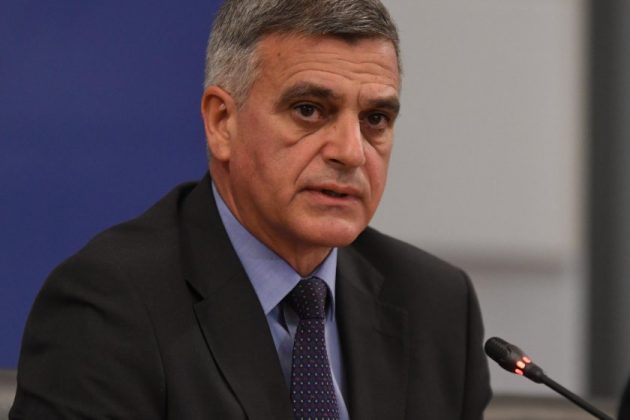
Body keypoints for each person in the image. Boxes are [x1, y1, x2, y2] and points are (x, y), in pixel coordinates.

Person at [10, 0, 491, 419]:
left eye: (375, 119)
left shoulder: (436, 305)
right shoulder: (108, 309)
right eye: (309, 109)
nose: (351, 151)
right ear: (222, 121)